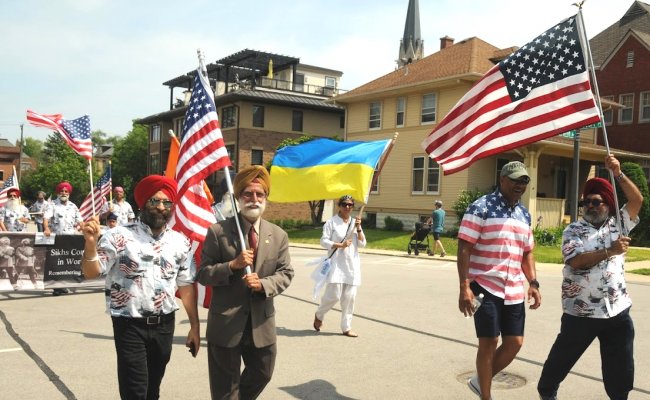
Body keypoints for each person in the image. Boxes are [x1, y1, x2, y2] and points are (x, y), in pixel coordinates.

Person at [80, 175, 200, 400]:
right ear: (143, 203)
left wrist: (195, 327)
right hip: (129, 324)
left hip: (164, 324)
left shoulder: (180, 242)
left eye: (166, 203)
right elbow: (92, 272)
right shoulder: (117, 236)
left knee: (152, 388)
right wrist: (90, 244)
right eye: (155, 201)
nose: (161, 207)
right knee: (135, 390)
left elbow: (185, 285)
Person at [537, 154, 643, 400]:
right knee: (561, 360)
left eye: (596, 202)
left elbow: (637, 199)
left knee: (621, 370)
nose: (591, 207)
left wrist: (617, 173)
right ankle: (547, 392)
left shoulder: (619, 224)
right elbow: (575, 261)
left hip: (617, 312)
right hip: (581, 313)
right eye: (586, 203)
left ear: (607, 203)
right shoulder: (573, 230)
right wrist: (610, 251)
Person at [198, 165, 294, 400]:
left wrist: (263, 285)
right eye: (248, 194)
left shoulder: (278, 234)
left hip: (261, 324)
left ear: (265, 198)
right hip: (226, 324)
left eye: (259, 194)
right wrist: (232, 265)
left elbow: (286, 272)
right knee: (224, 389)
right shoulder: (218, 231)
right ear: (238, 197)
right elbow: (203, 273)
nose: (254, 199)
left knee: (263, 373)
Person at [457, 161, 542, 400]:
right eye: (515, 179)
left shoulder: (524, 214)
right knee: (490, 341)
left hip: (514, 287)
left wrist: (533, 283)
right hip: (484, 285)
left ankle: (478, 379)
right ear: (502, 179)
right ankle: (486, 395)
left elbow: (527, 252)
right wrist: (464, 286)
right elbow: (464, 247)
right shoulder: (480, 207)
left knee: (515, 342)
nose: (520, 185)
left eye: (524, 181)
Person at [313, 195, 365, 338]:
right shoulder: (331, 222)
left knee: (350, 298)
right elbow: (323, 241)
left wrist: (359, 228)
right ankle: (319, 314)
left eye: (350, 205)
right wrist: (339, 245)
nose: (347, 207)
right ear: (339, 206)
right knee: (333, 296)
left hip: (351, 265)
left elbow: (362, 244)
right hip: (336, 264)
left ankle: (346, 327)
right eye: (344, 204)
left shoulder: (355, 222)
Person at [43, 181, 83, 295]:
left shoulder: (73, 206)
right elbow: (46, 218)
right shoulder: (52, 205)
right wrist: (46, 228)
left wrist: (85, 228)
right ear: (58, 193)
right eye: (62, 191)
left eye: (66, 191)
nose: (64, 193)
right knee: (56, 262)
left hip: (70, 239)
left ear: (69, 193)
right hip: (57, 239)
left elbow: (80, 221)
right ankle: (56, 287)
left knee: (67, 262)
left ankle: (64, 285)